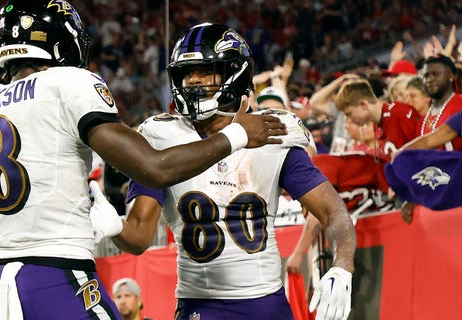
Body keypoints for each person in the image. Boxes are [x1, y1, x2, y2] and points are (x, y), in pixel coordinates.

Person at [0, 2, 287, 320]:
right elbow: (155, 168)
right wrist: (238, 134)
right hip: (56, 275)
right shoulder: (67, 82)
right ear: (62, 42)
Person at [92, 23, 356, 320]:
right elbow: (139, 237)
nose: (192, 81)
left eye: (204, 71)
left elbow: (334, 213)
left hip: (266, 304)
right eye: (186, 73)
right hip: (200, 306)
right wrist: (116, 227)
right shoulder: (161, 136)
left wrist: (342, 266)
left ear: (235, 72)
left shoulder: (273, 133)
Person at [334, 78, 420, 160]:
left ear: (363, 104)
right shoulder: (377, 125)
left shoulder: (400, 113)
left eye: (349, 114)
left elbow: (422, 151)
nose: (349, 119)